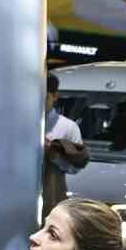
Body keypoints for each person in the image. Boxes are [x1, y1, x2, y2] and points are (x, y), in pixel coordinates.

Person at [42, 73, 87, 215]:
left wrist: (55, 157)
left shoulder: (68, 127)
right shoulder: (16, 124)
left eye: (44, 97)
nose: (38, 102)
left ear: (55, 96)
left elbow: (75, 168)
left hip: (51, 197)